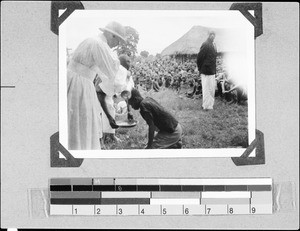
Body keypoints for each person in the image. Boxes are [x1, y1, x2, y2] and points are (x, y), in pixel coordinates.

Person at [197, 30, 217, 110]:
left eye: (214, 35)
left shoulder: (213, 45)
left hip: (212, 70)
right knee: (206, 89)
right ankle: (206, 106)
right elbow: (199, 58)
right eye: (211, 34)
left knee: (212, 89)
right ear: (208, 35)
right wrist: (200, 69)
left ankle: (210, 105)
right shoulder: (205, 44)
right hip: (205, 70)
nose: (212, 36)